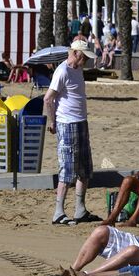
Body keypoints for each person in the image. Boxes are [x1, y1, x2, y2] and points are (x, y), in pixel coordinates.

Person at [44, 40, 100, 225]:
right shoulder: (63, 71)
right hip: (67, 124)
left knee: (85, 169)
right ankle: (58, 212)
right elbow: (48, 99)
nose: (85, 60)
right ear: (76, 53)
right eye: (84, 57)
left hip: (80, 122)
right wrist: (53, 122)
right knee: (67, 170)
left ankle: (80, 209)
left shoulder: (77, 69)